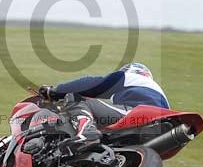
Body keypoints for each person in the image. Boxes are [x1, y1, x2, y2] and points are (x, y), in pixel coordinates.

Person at [38, 62, 169, 153]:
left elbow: (92, 84)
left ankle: (86, 133)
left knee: (78, 99)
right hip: (160, 129)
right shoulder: (159, 94)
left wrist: (55, 91)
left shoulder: (130, 77)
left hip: (138, 114)